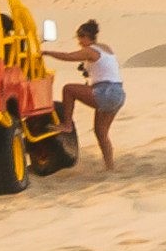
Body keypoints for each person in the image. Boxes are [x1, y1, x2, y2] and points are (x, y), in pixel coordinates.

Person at [49, 18, 126, 170]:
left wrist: (46, 52)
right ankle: (110, 167)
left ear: (85, 36)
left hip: (105, 92)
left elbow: (68, 56)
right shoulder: (105, 47)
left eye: (80, 38)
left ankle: (67, 124)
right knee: (101, 133)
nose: (79, 42)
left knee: (69, 89)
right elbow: (103, 67)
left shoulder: (89, 50)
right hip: (118, 93)